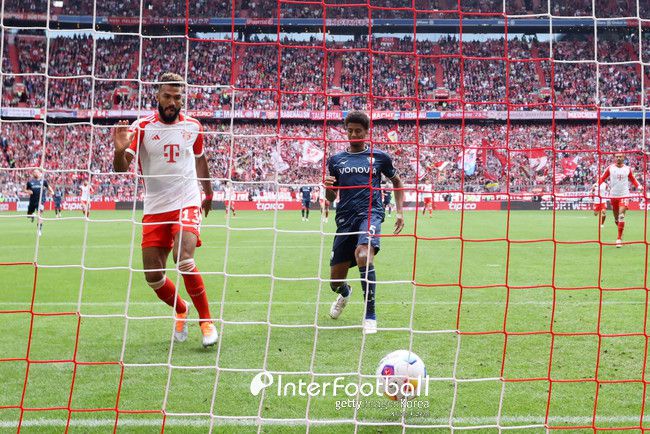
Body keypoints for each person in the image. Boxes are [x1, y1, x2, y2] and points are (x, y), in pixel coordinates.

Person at [112, 72, 218, 347]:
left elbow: (200, 160)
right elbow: (121, 169)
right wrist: (119, 151)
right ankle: (181, 309)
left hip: (187, 200)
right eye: (167, 96)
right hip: (156, 207)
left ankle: (206, 321)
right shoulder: (142, 127)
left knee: (183, 259)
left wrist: (208, 192)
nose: (172, 102)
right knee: (153, 276)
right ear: (157, 96)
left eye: (177, 97)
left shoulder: (193, 126)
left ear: (183, 99)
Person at [324, 111, 404, 334]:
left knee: (363, 254)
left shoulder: (380, 157)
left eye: (358, 131)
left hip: (370, 213)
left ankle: (370, 316)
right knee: (334, 282)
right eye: (350, 131)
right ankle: (345, 292)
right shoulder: (336, 160)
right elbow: (331, 197)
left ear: (367, 132)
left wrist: (399, 212)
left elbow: (397, 182)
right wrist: (328, 188)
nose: (354, 135)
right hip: (345, 219)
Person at [595, 152, 643, 247]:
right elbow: (602, 178)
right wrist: (596, 184)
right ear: (614, 158)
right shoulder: (610, 168)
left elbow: (633, 179)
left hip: (624, 195)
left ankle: (619, 239)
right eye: (617, 157)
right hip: (613, 195)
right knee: (616, 218)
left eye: (620, 156)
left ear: (623, 157)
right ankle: (621, 231)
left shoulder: (627, 169)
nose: (618, 158)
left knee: (621, 216)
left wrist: (639, 186)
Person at [24, 169, 53, 235]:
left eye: (36, 172)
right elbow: (24, 189)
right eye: (34, 172)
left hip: (40, 201)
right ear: (33, 174)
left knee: (40, 214)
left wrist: (52, 192)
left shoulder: (43, 181)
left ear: (39, 173)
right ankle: (32, 215)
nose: (35, 173)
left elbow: (49, 187)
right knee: (28, 215)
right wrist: (28, 191)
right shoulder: (30, 182)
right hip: (32, 201)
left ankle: (39, 230)